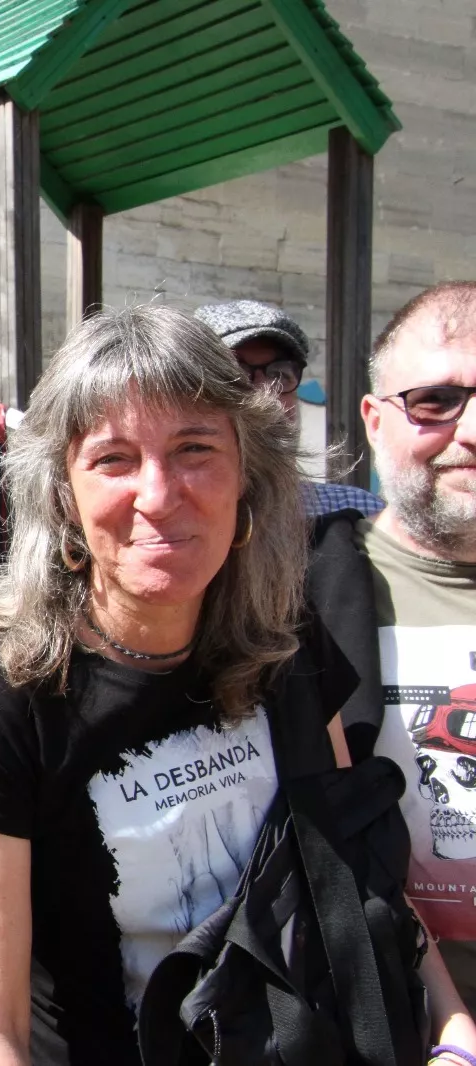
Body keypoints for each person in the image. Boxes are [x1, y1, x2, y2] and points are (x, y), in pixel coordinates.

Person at [0, 304, 475, 1064]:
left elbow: (363, 875)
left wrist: (452, 1032)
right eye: (112, 459)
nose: (159, 492)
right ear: (63, 497)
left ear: (247, 475)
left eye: (195, 448)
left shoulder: (288, 644)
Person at [309, 281, 476, 1008]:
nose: (471, 430)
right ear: (375, 422)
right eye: (436, 401)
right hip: (388, 1015)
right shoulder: (296, 601)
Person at [195, 298, 385, 517]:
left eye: (279, 375)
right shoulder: (164, 520)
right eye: (239, 375)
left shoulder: (354, 515)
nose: (266, 393)